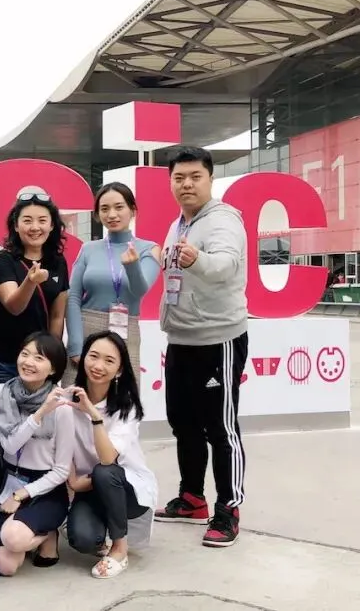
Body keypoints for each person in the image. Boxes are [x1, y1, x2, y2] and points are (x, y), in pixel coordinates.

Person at [155, 146, 248, 548]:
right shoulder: (179, 223)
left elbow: (226, 264)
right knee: (183, 423)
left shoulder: (224, 220)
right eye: (179, 178)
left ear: (210, 179)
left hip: (217, 339)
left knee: (221, 428)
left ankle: (228, 509)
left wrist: (198, 261)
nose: (187, 184)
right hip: (181, 338)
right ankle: (192, 497)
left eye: (195, 177)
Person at [0, 191, 69, 515]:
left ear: (52, 225)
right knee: (6, 424)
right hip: (6, 357)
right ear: (16, 225)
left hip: (40, 361)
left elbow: (57, 314)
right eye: (27, 220)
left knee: (38, 422)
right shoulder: (3, 260)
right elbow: (13, 305)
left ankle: (34, 484)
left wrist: (53, 359)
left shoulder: (59, 263)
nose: (35, 227)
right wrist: (31, 281)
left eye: (42, 220)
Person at [65, 331, 157, 579]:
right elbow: (61, 446)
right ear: (83, 358)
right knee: (82, 540)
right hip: (90, 488)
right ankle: (101, 533)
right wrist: (73, 481)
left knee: (104, 472)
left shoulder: (127, 407)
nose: (98, 366)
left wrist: (94, 415)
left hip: (128, 490)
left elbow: (107, 460)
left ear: (119, 370)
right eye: (93, 356)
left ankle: (119, 549)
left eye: (109, 361)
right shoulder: (67, 399)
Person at [0, 332, 73, 577]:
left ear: (53, 369)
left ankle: (47, 532)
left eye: (39, 358)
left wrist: (22, 494)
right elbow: (10, 446)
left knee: (13, 538)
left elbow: (61, 470)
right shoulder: (1, 393)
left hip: (45, 488)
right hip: (9, 482)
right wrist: (40, 413)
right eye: (25, 354)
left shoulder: (62, 406)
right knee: (5, 566)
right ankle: (30, 533)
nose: (28, 362)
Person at [66, 183, 161, 377]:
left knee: (122, 394)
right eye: (104, 209)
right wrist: (75, 346)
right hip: (86, 331)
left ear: (132, 210)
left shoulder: (149, 249)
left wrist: (132, 266)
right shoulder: (88, 249)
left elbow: (139, 290)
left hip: (126, 332)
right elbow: (73, 297)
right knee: (78, 394)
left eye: (119, 207)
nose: (111, 215)